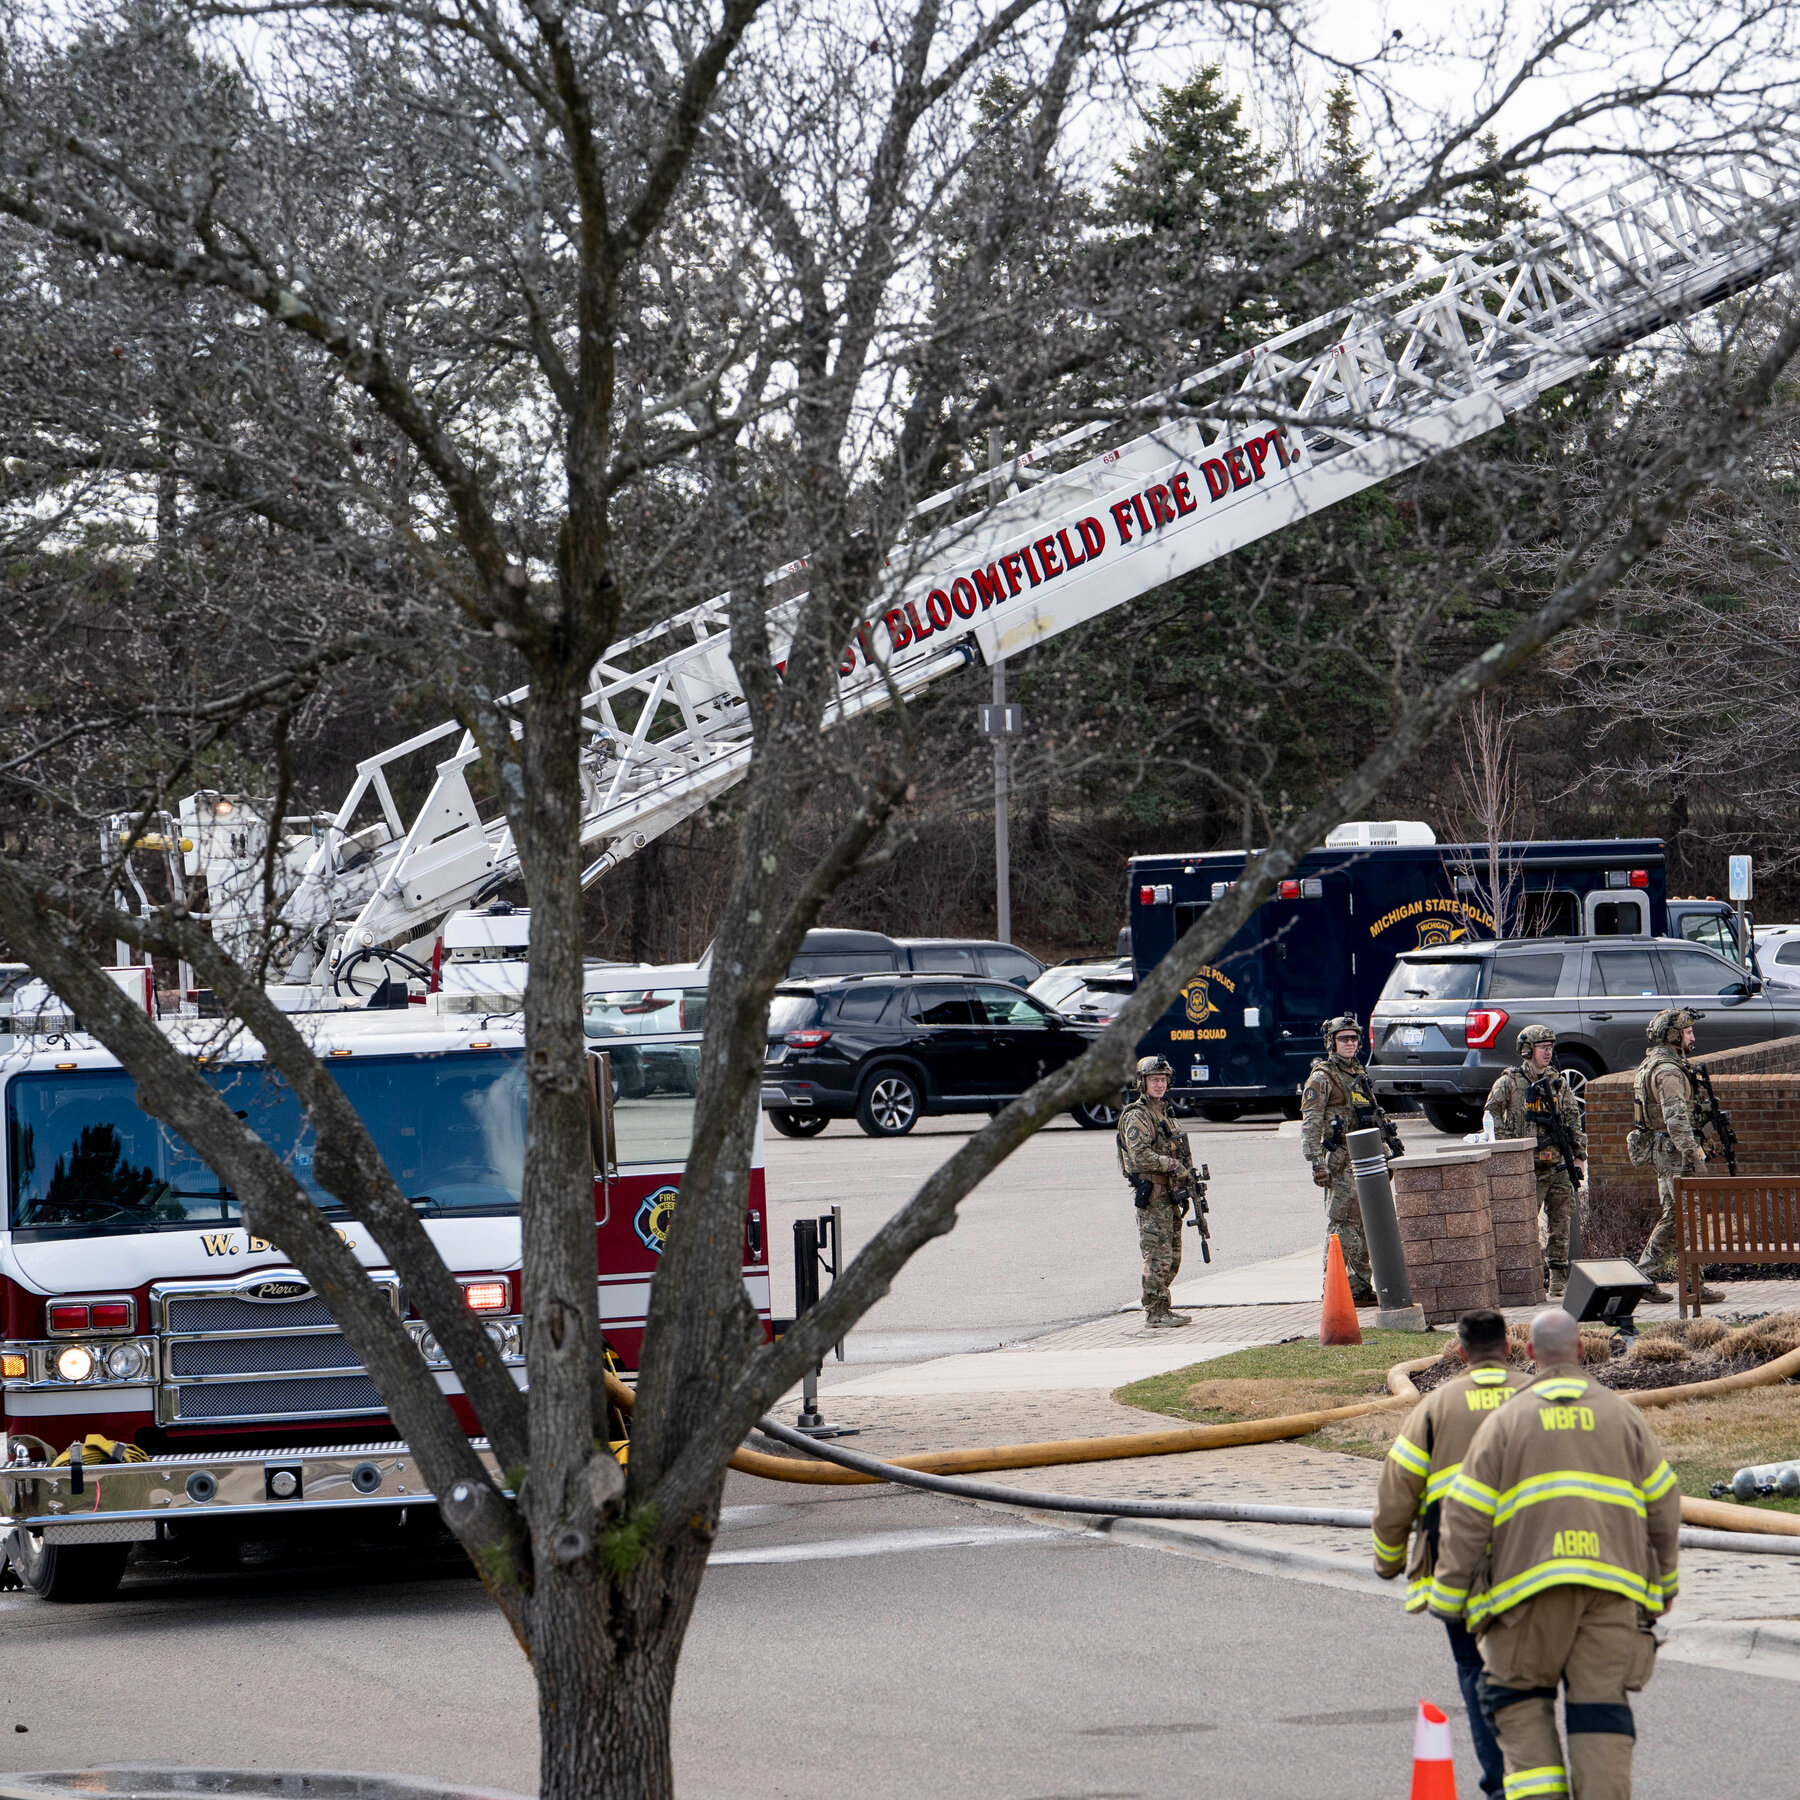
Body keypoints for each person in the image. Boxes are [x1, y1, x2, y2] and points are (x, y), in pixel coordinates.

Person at [1431, 1307, 1680, 1800]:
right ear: (1583, 1351)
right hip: (1611, 1594)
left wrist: (1449, 1594)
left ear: (1528, 1354)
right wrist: (1664, 1584)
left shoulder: (1506, 1422)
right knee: (1600, 1715)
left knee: (1518, 1704)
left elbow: (1466, 1513)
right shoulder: (1622, 1415)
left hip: (1527, 1597)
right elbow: (1664, 1501)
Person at [1373, 1308, 1530, 1799]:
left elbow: (1396, 1493)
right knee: (1533, 1681)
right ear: (1510, 1348)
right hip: (1535, 1561)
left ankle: (1499, 1784)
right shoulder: (1537, 1396)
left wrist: (1389, 1560)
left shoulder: (1435, 1408)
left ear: (1461, 1353)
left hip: (1457, 1569)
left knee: (1474, 1671)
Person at [1483, 1025, 1586, 1298]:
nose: (1549, 1052)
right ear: (1527, 1051)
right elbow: (1490, 1115)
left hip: (1558, 1163)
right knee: (1523, 1223)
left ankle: (1558, 1277)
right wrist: (1510, 1148)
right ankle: (1526, 1277)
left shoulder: (1558, 1082)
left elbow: (1574, 1120)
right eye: (1543, 1047)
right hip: (1527, 1167)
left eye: (1551, 1047)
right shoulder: (1509, 1082)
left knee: (1561, 1220)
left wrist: (1578, 1156)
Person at [1300, 1015, 1394, 1306]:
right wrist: (1316, 1161)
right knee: (1341, 1225)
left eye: (1353, 1038)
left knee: (1364, 1225)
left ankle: (1358, 1287)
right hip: (1340, 1159)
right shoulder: (1322, 1077)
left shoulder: (1357, 1073)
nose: (1350, 1043)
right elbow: (1311, 1122)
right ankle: (1336, 1289)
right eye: (1344, 1038)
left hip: (1366, 1157)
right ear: (1332, 1042)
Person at [1631, 1008, 1722, 1304]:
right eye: (1688, 1032)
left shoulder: (1655, 1065)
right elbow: (1676, 1121)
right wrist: (1696, 1156)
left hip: (1667, 1153)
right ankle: (1655, 1279)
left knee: (1681, 1217)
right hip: (1677, 1156)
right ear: (1673, 1036)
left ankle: (1679, 1281)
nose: (1693, 1037)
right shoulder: (1668, 1072)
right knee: (1682, 1217)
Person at [1117, 1054, 1199, 1329]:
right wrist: (1172, 1165)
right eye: (1154, 1080)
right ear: (1142, 1083)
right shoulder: (1138, 1116)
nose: (1160, 1084)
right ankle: (1155, 1311)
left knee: (1172, 1256)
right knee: (1157, 1256)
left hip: (1169, 1195)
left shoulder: (1164, 1112)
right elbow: (1140, 1156)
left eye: (1163, 1080)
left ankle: (1163, 1307)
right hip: (1153, 1195)